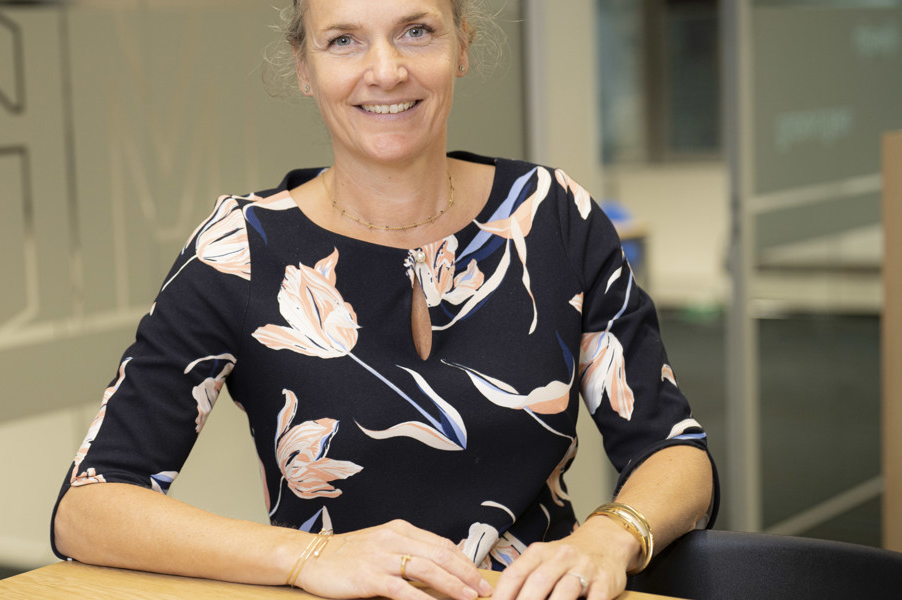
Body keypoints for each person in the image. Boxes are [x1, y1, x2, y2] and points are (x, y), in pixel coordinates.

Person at [51, 1, 716, 598]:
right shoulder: (240, 249)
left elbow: (675, 451)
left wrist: (608, 536)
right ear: (304, 66)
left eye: (416, 32)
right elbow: (88, 506)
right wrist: (308, 556)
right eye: (343, 40)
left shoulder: (553, 216)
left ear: (461, 44)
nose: (386, 71)